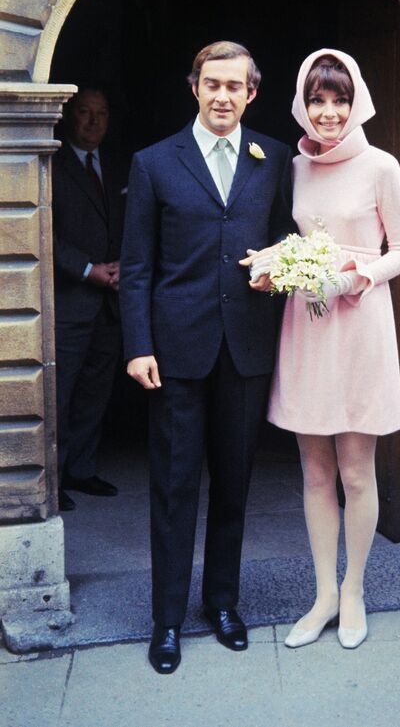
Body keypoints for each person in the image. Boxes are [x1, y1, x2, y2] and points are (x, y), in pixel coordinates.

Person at [119, 41, 294, 674]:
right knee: (173, 487)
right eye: (212, 84)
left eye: (235, 86)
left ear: (252, 93)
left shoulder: (274, 157)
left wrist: (279, 267)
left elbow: (285, 235)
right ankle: (167, 619)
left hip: (245, 346)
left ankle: (223, 604)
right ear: (194, 88)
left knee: (234, 483)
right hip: (175, 351)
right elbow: (137, 266)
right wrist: (138, 345)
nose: (223, 96)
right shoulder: (154, 162)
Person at [246, 49, 400, 649]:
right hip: (308, 326)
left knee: (357, 473)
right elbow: (293, 238)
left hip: (359, 322)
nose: (328, 112)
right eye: (317, 100)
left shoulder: (381, 166)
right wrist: (274, 264)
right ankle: (322, 595)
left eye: (339, 100)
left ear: (356, 101)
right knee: (315, 472)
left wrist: (353, 278)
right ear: (302, 103)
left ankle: (354, 592)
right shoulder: (293, 167)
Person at [52, 87, 125, 512]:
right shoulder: (51, 161)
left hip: (110, 302)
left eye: (102, 113)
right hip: (69, 301)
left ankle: (81, 468)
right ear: (68, 115)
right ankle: (53, 477)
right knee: (59, 394)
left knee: (95, 391)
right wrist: (86, 270)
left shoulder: (116, 165)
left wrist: (122, 266)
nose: (94, 122)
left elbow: (135, 222)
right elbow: (39, 231)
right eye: (85, 112)